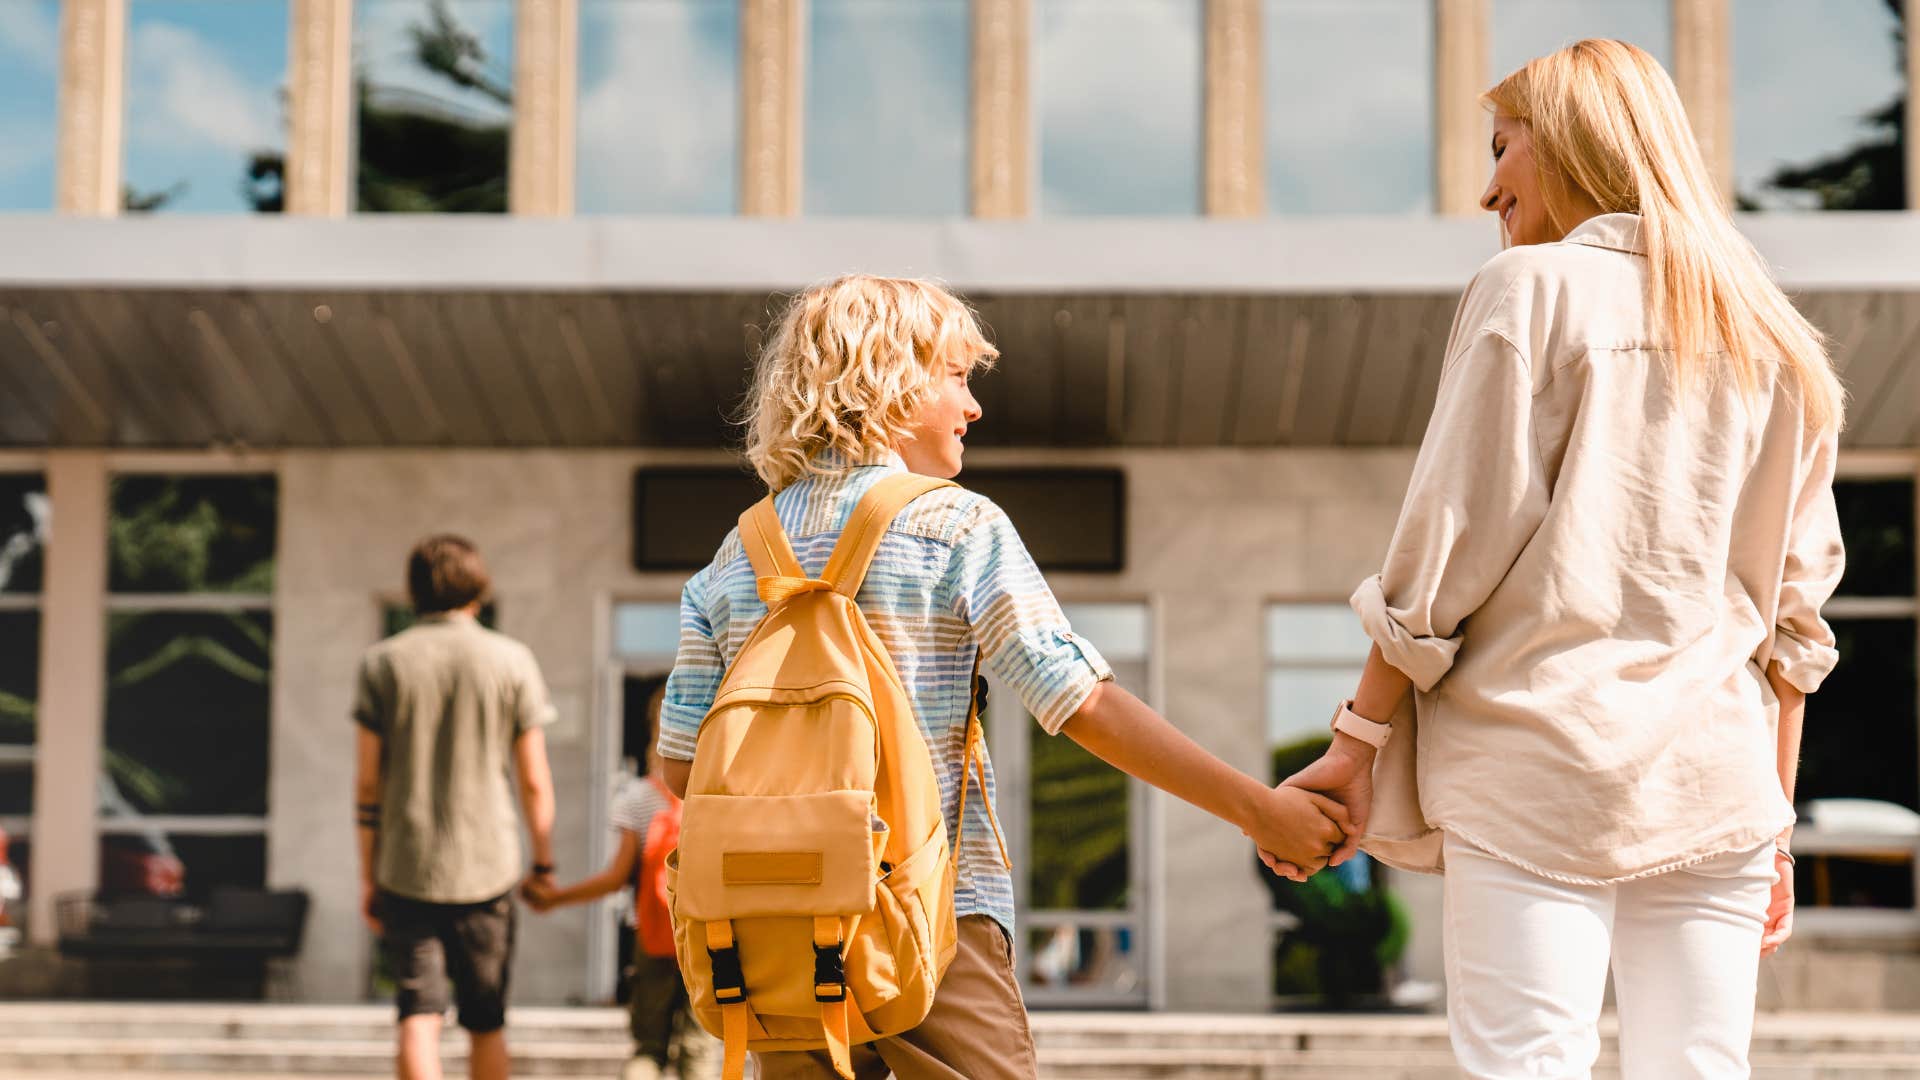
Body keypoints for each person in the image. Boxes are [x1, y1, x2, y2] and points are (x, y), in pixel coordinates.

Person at [1265, 39, 1847, 1080]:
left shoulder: (1531, 288)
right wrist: (1779, 828)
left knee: (1526, 1065)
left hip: (1536, 766)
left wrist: (1354, 746)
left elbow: (1446, 556)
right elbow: (1794, 628)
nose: (1489, 188)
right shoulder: (1771, 337)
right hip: (1720, 785)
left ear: (1576, 144)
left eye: (1501, 148)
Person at [658, 275, 1351, 1079]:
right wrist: (1259, 809)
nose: (973, 406)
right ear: (886, 377)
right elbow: (1082, 703)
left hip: (772, 932)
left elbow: (683, 766)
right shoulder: (957, 526)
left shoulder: (733, 559)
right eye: (955, 377)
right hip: (930, 914)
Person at [354, 536, 560, 1080]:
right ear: (478, 584)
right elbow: (534, 781)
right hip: (488, 868)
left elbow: (367, 785)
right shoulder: (513, 660)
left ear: (415, 588)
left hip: (405, 864)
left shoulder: (383, 663)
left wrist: (368, 876)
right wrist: (543, 865)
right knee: (486, 1019)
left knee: (418, 1015)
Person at [525, 685, 719, 1080]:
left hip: (652, 937)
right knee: (699, 1049)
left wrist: (556, 898)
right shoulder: (717, 797)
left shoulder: (635, 798)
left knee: (647, 1050)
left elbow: (616, 878)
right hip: (710, 937)